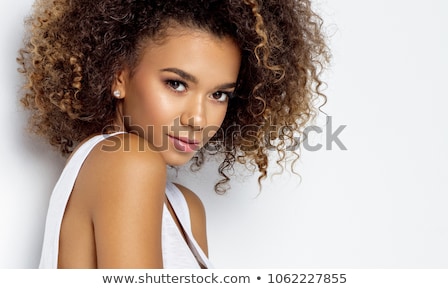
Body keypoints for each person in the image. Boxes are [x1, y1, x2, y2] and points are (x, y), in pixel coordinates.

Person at [17, 0, 330, 268]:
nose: (198, 118)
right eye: (177, 84)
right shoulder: (128, 161)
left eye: (219, 95)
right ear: (119, 76)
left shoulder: (186, 209)